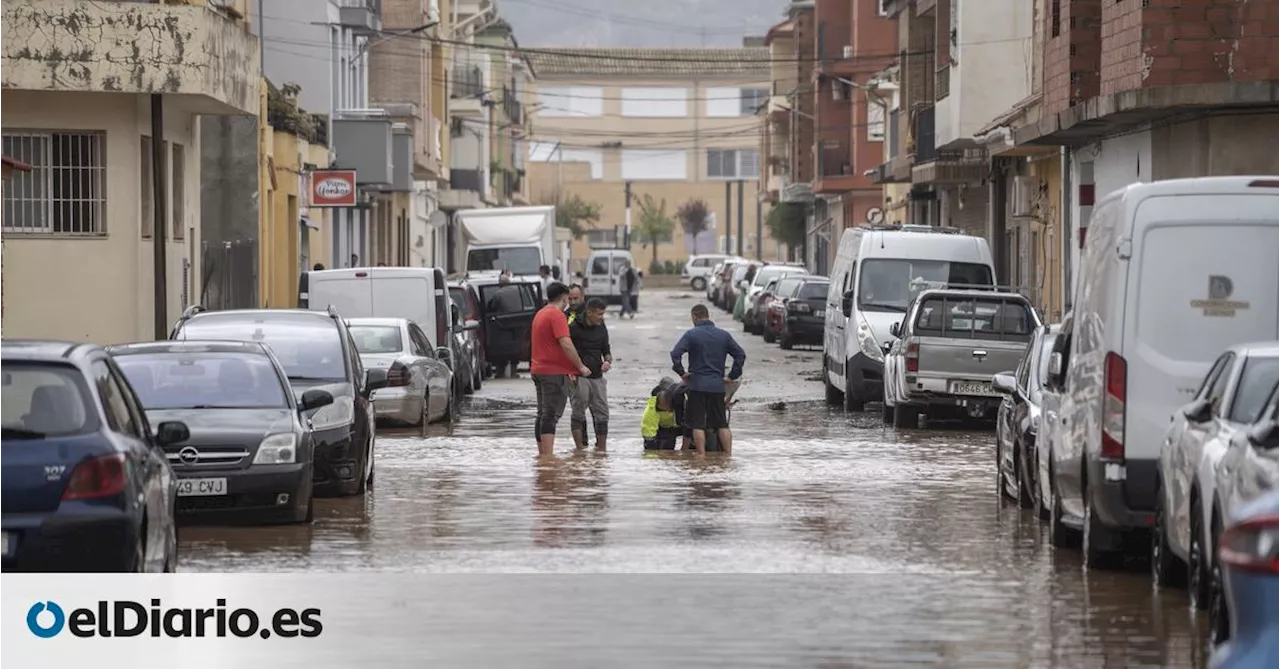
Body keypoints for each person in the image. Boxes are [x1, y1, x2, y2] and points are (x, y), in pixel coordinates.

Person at [670, 304, 746, 455]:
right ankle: (728, 456)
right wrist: (732, 375)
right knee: (721, 424)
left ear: (694, 317)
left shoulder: (691, 334)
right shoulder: (723, 335)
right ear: (707, 316)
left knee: (697, 424)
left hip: (697, 386)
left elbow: (675, 354)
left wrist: (682, 372)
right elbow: (740, 355)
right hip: (717, 386)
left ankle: (701, 456)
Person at [530, 282, 592, 456]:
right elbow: (565, 343)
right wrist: (579, 366)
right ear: (564, 298)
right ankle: (548, 457)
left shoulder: (540, 314)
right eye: (567, 298)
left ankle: (542, 455)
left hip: (538, 369)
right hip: (553, 373)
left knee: (542, 413)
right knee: (550, 415)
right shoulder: (557, 316)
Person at [568, 298, 612, 451]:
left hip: (598, 376)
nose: (601, 317)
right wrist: (570, 371)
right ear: (589, 312)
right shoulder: (574, 328)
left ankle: (601, 449)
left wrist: (607, 361)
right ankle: (579, 450)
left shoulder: (602, 326)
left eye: (603, 314)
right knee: (578, 412)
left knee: (602, 412)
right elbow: (565, 350)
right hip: (579, 377)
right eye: (599, 314)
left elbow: (606, 349)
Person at [487, 272, 525, 378]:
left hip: (503, 324)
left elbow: (492, 308)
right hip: (519, 322)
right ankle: (513, 372)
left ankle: (500, 373)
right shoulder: (519, 290)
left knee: (502, 348)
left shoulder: (498, 294)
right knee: (516, 347)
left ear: (500, 283)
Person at [642, 377, 685, 450]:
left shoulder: (682, 401)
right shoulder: (652, 407)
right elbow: (648, 428)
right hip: (664, 429)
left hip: (682, 425)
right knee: (665, 447)